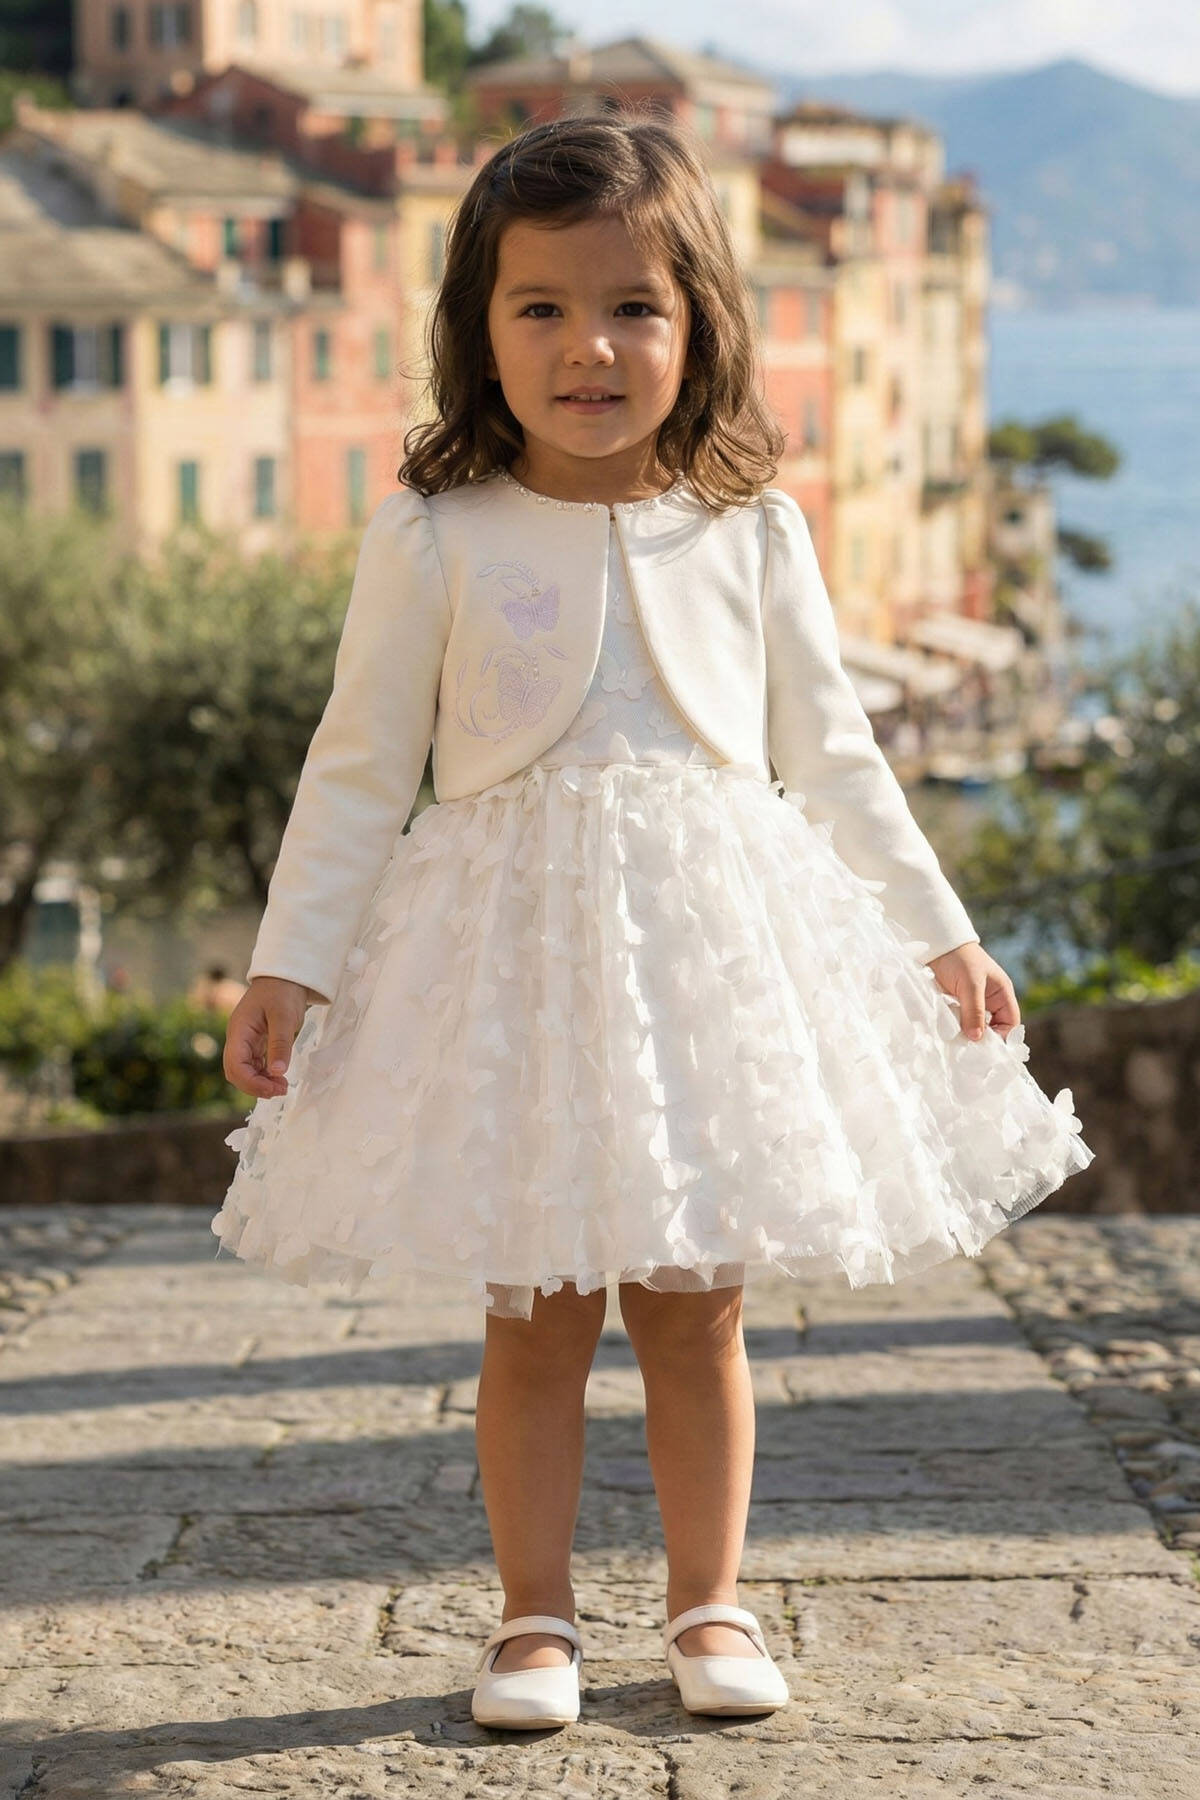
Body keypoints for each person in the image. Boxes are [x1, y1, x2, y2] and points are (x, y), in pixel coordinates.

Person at [212, 112, 1094, 1729]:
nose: (590, 347)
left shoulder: (752, 529)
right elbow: (357, 766)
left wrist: (942, 933)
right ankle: (532, 1622)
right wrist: (291, 963)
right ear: (481, 328)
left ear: (699, 326)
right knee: (537, 1313)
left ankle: (711, 1606)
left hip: (706, 972)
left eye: (634, 307)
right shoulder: (434, 532)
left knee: (699, 1309)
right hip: (516, 976)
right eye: (541, 307)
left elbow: (836, 754)